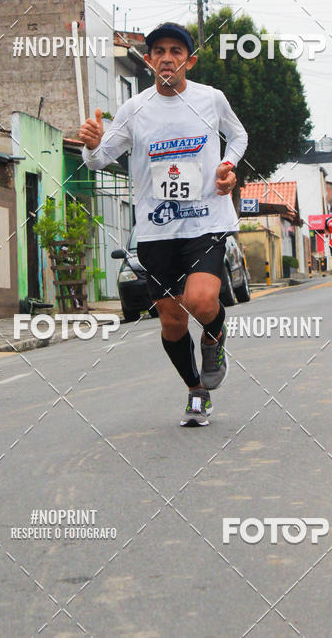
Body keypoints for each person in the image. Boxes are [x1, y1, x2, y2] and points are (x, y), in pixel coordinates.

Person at [78, 22, 248, 427]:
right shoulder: (134, 110)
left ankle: (214, 336)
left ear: (188, 59)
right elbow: (99, 160)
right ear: (150, 59)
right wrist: (90, 143)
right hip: (156, 230)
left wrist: (228, 167)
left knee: (202, 301)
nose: (167, 57)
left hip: (205, 222)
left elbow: (237, 136)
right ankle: (196, 391)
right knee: (172, 320)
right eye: (159, 51)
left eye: (176, 50)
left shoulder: (211, 99)